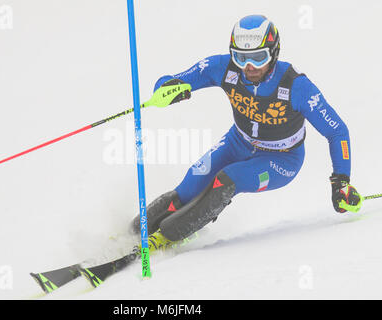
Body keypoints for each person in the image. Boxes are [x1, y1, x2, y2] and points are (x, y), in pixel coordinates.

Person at [130, 14, 363, 250]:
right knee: (190, 186)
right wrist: (168, 89)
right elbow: (173, 80)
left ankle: (167, 236)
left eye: (258, 58)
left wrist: (341, 181)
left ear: (274, 53)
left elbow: (337, 131)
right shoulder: (223, 67)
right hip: (238, 142)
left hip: (281, 158)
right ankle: (132, 232)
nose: (248, 67)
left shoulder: (296, 86)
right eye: (240, 58)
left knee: (228, 179)